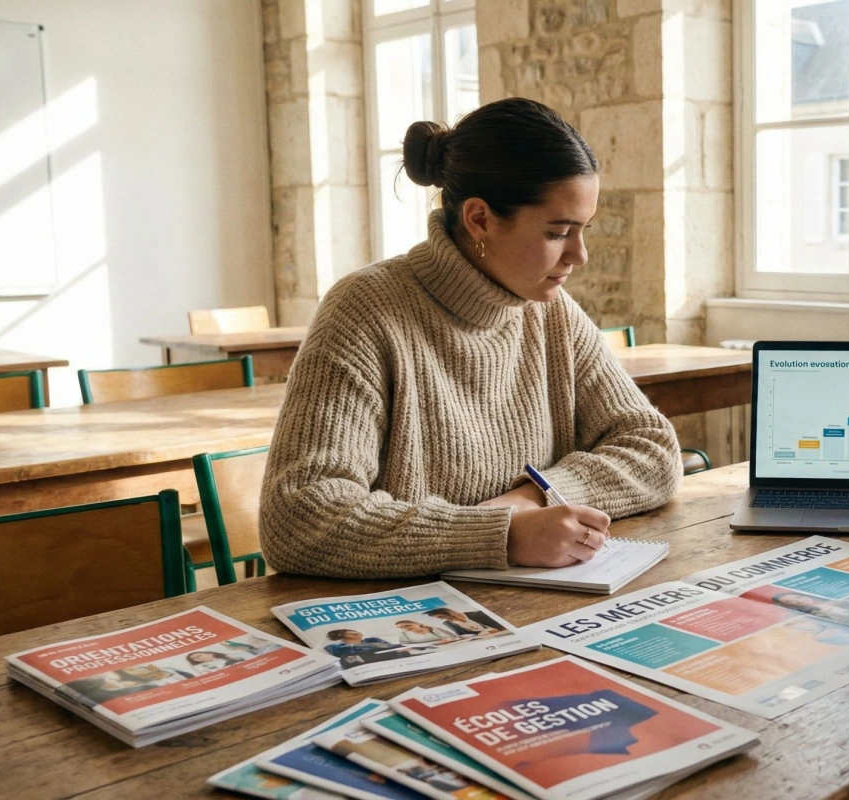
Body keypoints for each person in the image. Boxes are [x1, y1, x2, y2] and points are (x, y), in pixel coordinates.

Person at [259, 97, 682, 579]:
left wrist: (534, 497)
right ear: (479, 219)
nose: (579, 255)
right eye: (558, 232)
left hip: (527, 602)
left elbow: (653, 449)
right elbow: (299, 517)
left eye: (583, 229)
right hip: (408, 610)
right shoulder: (365, 310)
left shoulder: (551, 312)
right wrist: (501, 535)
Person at [321, 629, 401, 661]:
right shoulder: (334, 647)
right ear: (341, 636)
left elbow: (392, 647)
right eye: (350, 633)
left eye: (357, 632)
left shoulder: (373, 640)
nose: (356, 633)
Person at [423, 606, 503, 637]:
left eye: (441, 616)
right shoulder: (448, 624)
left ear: (449, 611)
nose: (441, 619)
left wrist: (489, 632)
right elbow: (461, 636)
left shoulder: (477, 614)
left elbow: (501, 627)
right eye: (438, 618)